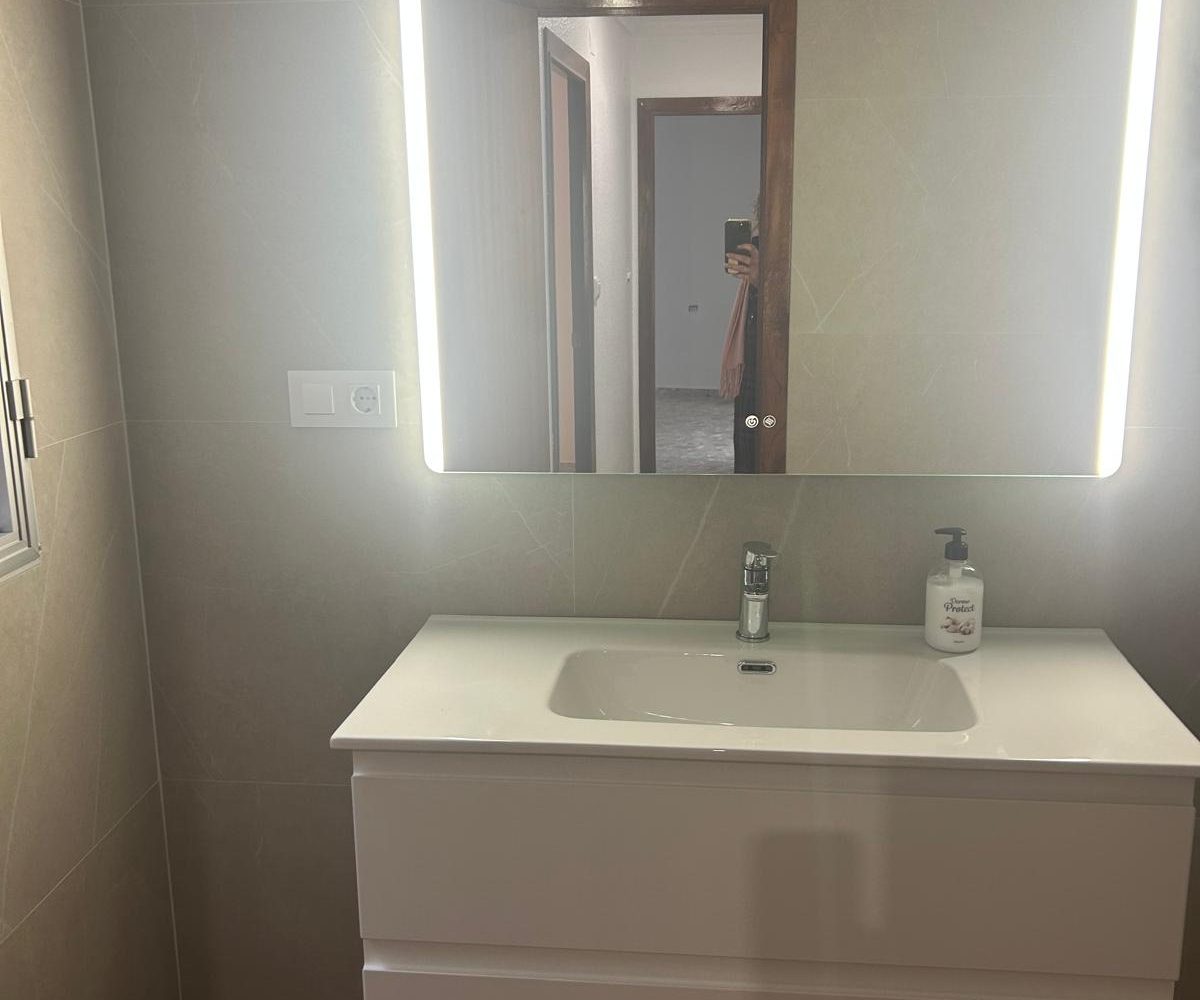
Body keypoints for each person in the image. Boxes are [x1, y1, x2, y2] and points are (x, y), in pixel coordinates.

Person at [721, 204, 760, 474]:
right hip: (750, 358)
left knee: (758, 439)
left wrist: (762, 277)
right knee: (746, 441)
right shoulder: (757, 244)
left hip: (769, 359)